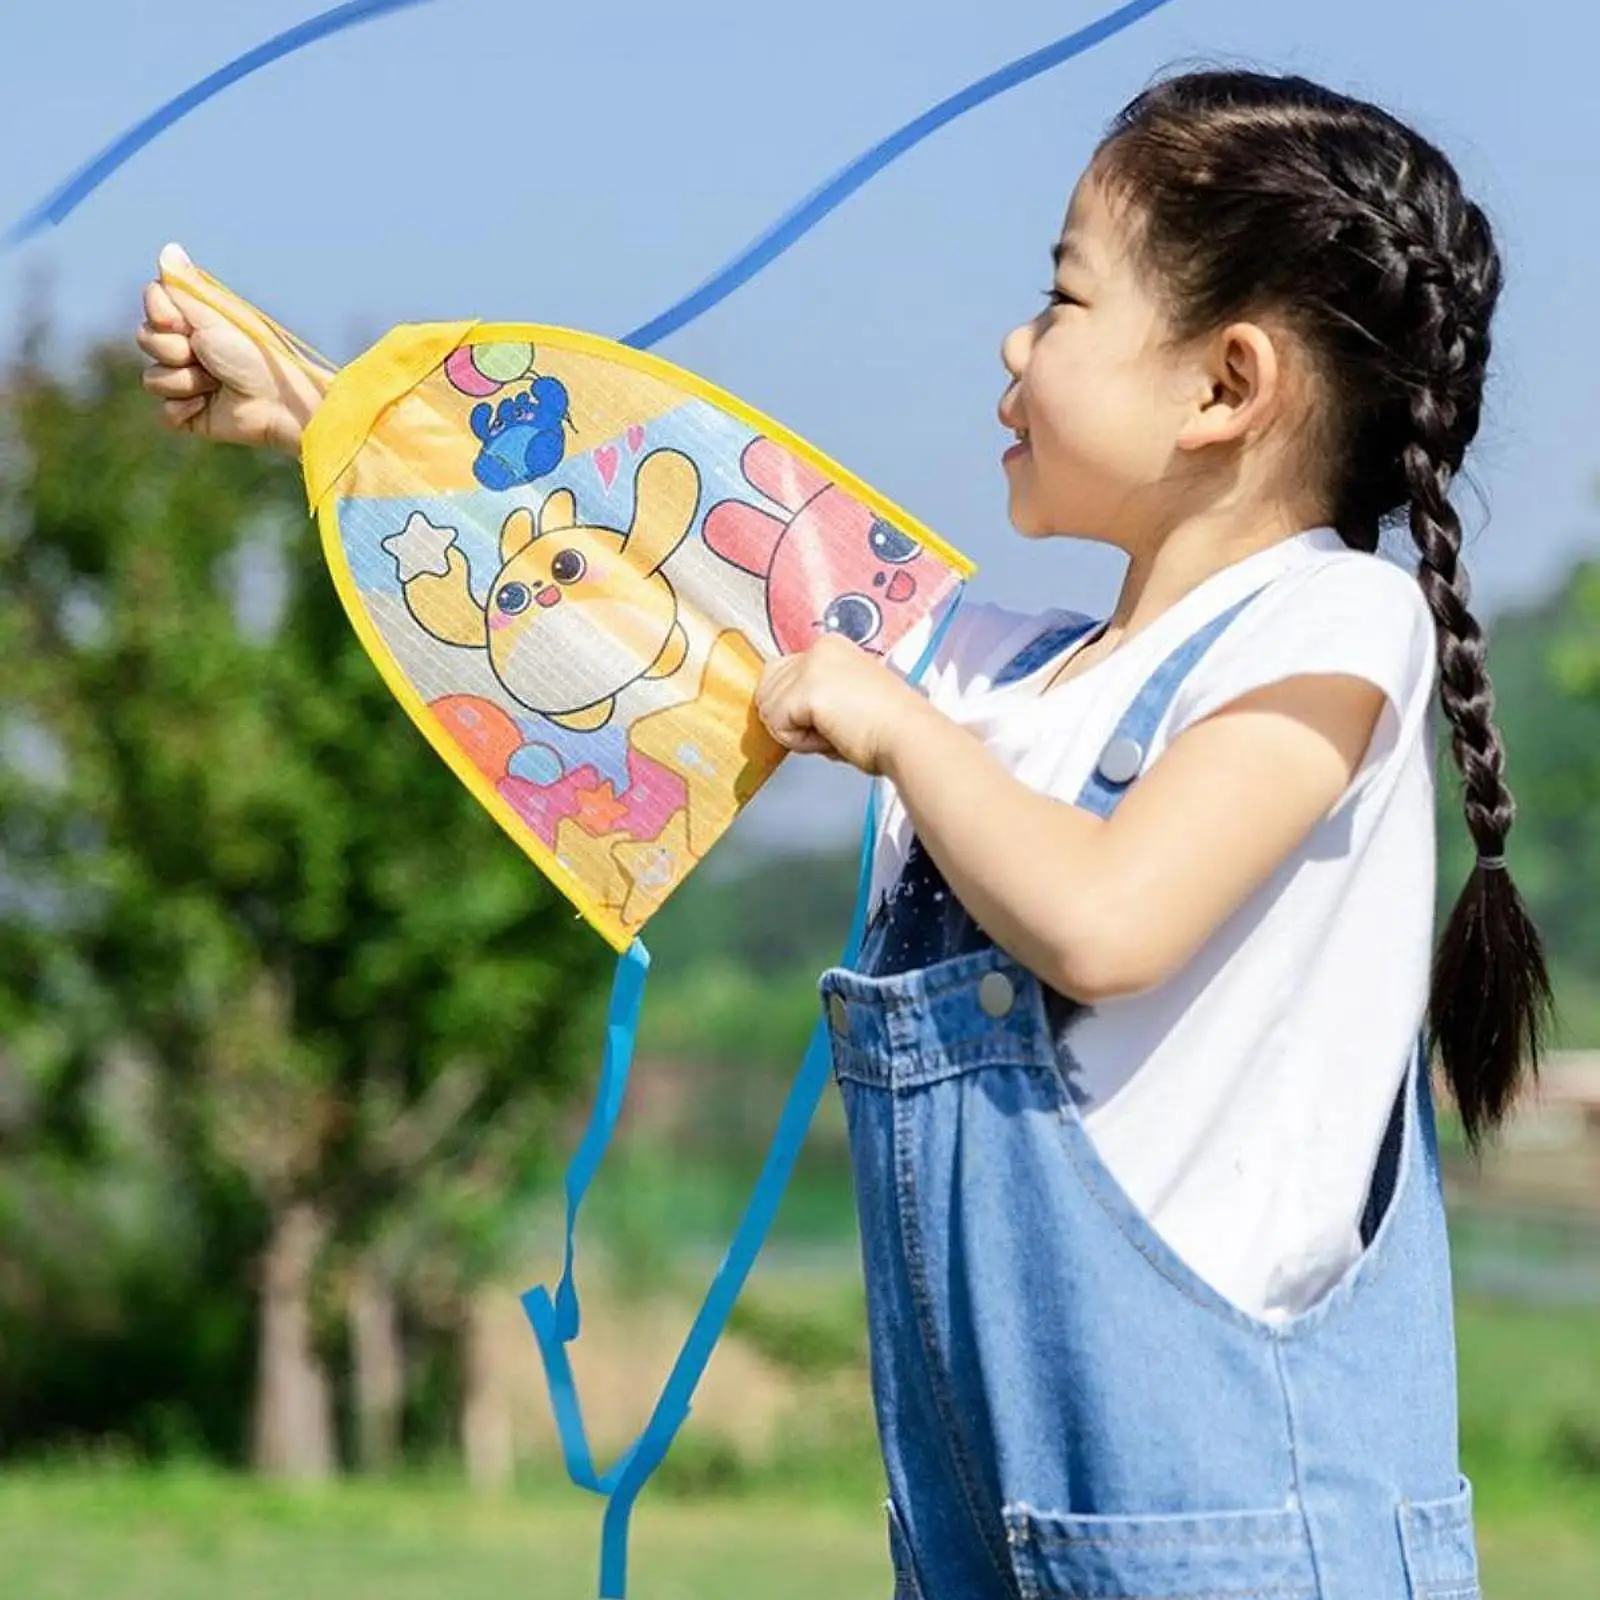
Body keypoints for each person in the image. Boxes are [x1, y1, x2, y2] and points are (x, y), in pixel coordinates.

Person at [138, 69, 1547, 1599]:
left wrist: (900, 730)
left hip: (1253, 1558)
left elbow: (1109, 921)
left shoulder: (1334, 621)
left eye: (1062, 297)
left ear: (1226, 386)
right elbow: (660, 554)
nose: (1014, 341)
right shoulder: (995, 675)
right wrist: (322, 412)